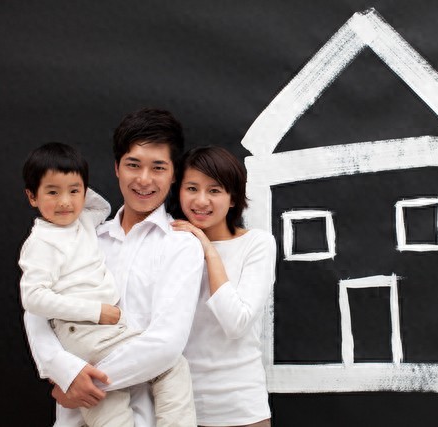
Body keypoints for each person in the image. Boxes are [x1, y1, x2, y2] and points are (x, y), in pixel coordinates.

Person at [23, 108, 204, 427]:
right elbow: (36, 313)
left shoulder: (180, 245)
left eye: (158, 168)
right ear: (117, 167)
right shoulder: (85, 233)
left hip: (146, 417)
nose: (144, 179)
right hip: (73, 417)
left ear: (174, 174)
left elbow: (166, 343)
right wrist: (64, 372)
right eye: (133, 165)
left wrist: (83, 384)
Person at [171, 146, 276, 427]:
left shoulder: (257, 244)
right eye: (192, 188)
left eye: (214, 190)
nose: (201, 200)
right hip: (178, 406)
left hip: (240, 407)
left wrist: (209, 250)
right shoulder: (172, 243)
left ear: (233, 198)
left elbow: (236, 323)